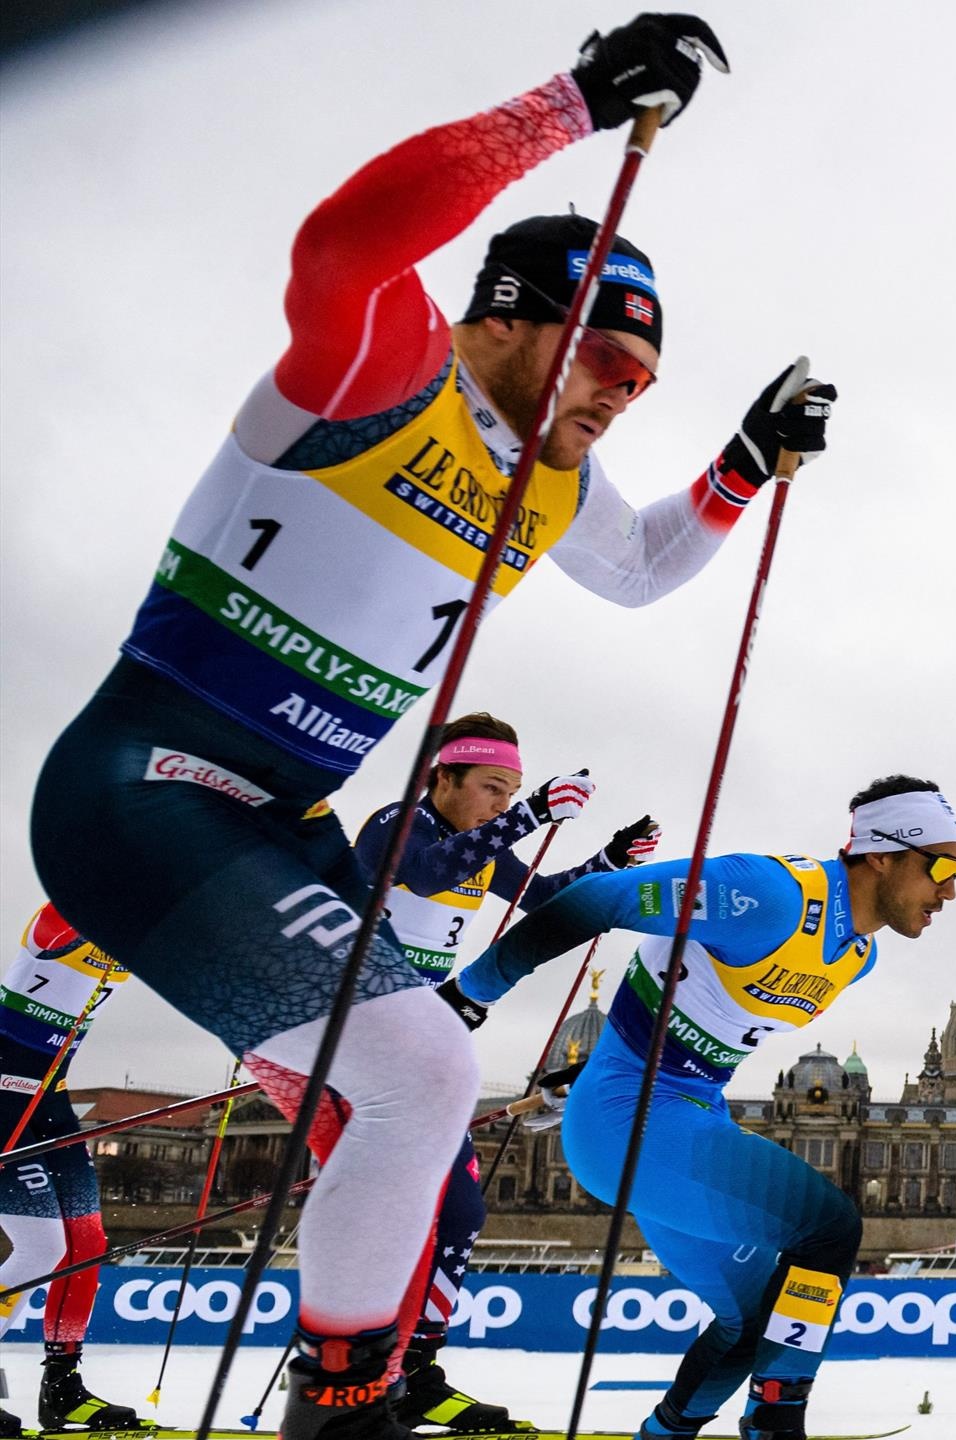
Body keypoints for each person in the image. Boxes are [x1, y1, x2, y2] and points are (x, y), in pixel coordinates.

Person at [26, 16, 835, 1440]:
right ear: (508, 315)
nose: (614, 397)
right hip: (147, 782)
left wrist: (747, 464)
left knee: (397, 1114)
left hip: (277, 821)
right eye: (598, 362)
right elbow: (341, 244)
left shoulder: (552, 487)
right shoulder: (384, 370)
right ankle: (344, 1408)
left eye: (639, 386)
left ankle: (368, 1383)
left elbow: (645, 567)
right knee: (422, 1070)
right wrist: (572, 104)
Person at [445, 777, 956, 1440]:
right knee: (829, 1229)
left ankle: (667, 1432)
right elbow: (593, 900)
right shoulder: (773, 895)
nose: (950, 891)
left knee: (752, 1320)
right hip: (627, 1121)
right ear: (882, 854)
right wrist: (470, 993)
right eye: (941, 868)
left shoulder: (857, 955)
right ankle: (776, 1420)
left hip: (685, 1120)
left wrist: (577, 1072)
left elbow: (686, 1012)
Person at [351, 712, 658, 1433]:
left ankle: (417, 1373)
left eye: (510, 791)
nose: (497, 803)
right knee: (407, 1216)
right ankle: (364, 1376)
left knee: (460, 1213)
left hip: (428, 1034)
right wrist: (529, 813)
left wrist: (609, 862)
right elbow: (430, 872)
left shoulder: (481, 845)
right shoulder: (399, 825)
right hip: (366, 1032)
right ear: (443, 778)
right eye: (490, 788)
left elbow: (543, 896)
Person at [0, 907, 133, 1436]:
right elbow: (58, 930)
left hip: (50, 1098)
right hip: (6, 1095)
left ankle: (62, 1389)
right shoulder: (65, 908)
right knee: (41, 1250)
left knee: (85, 1244)